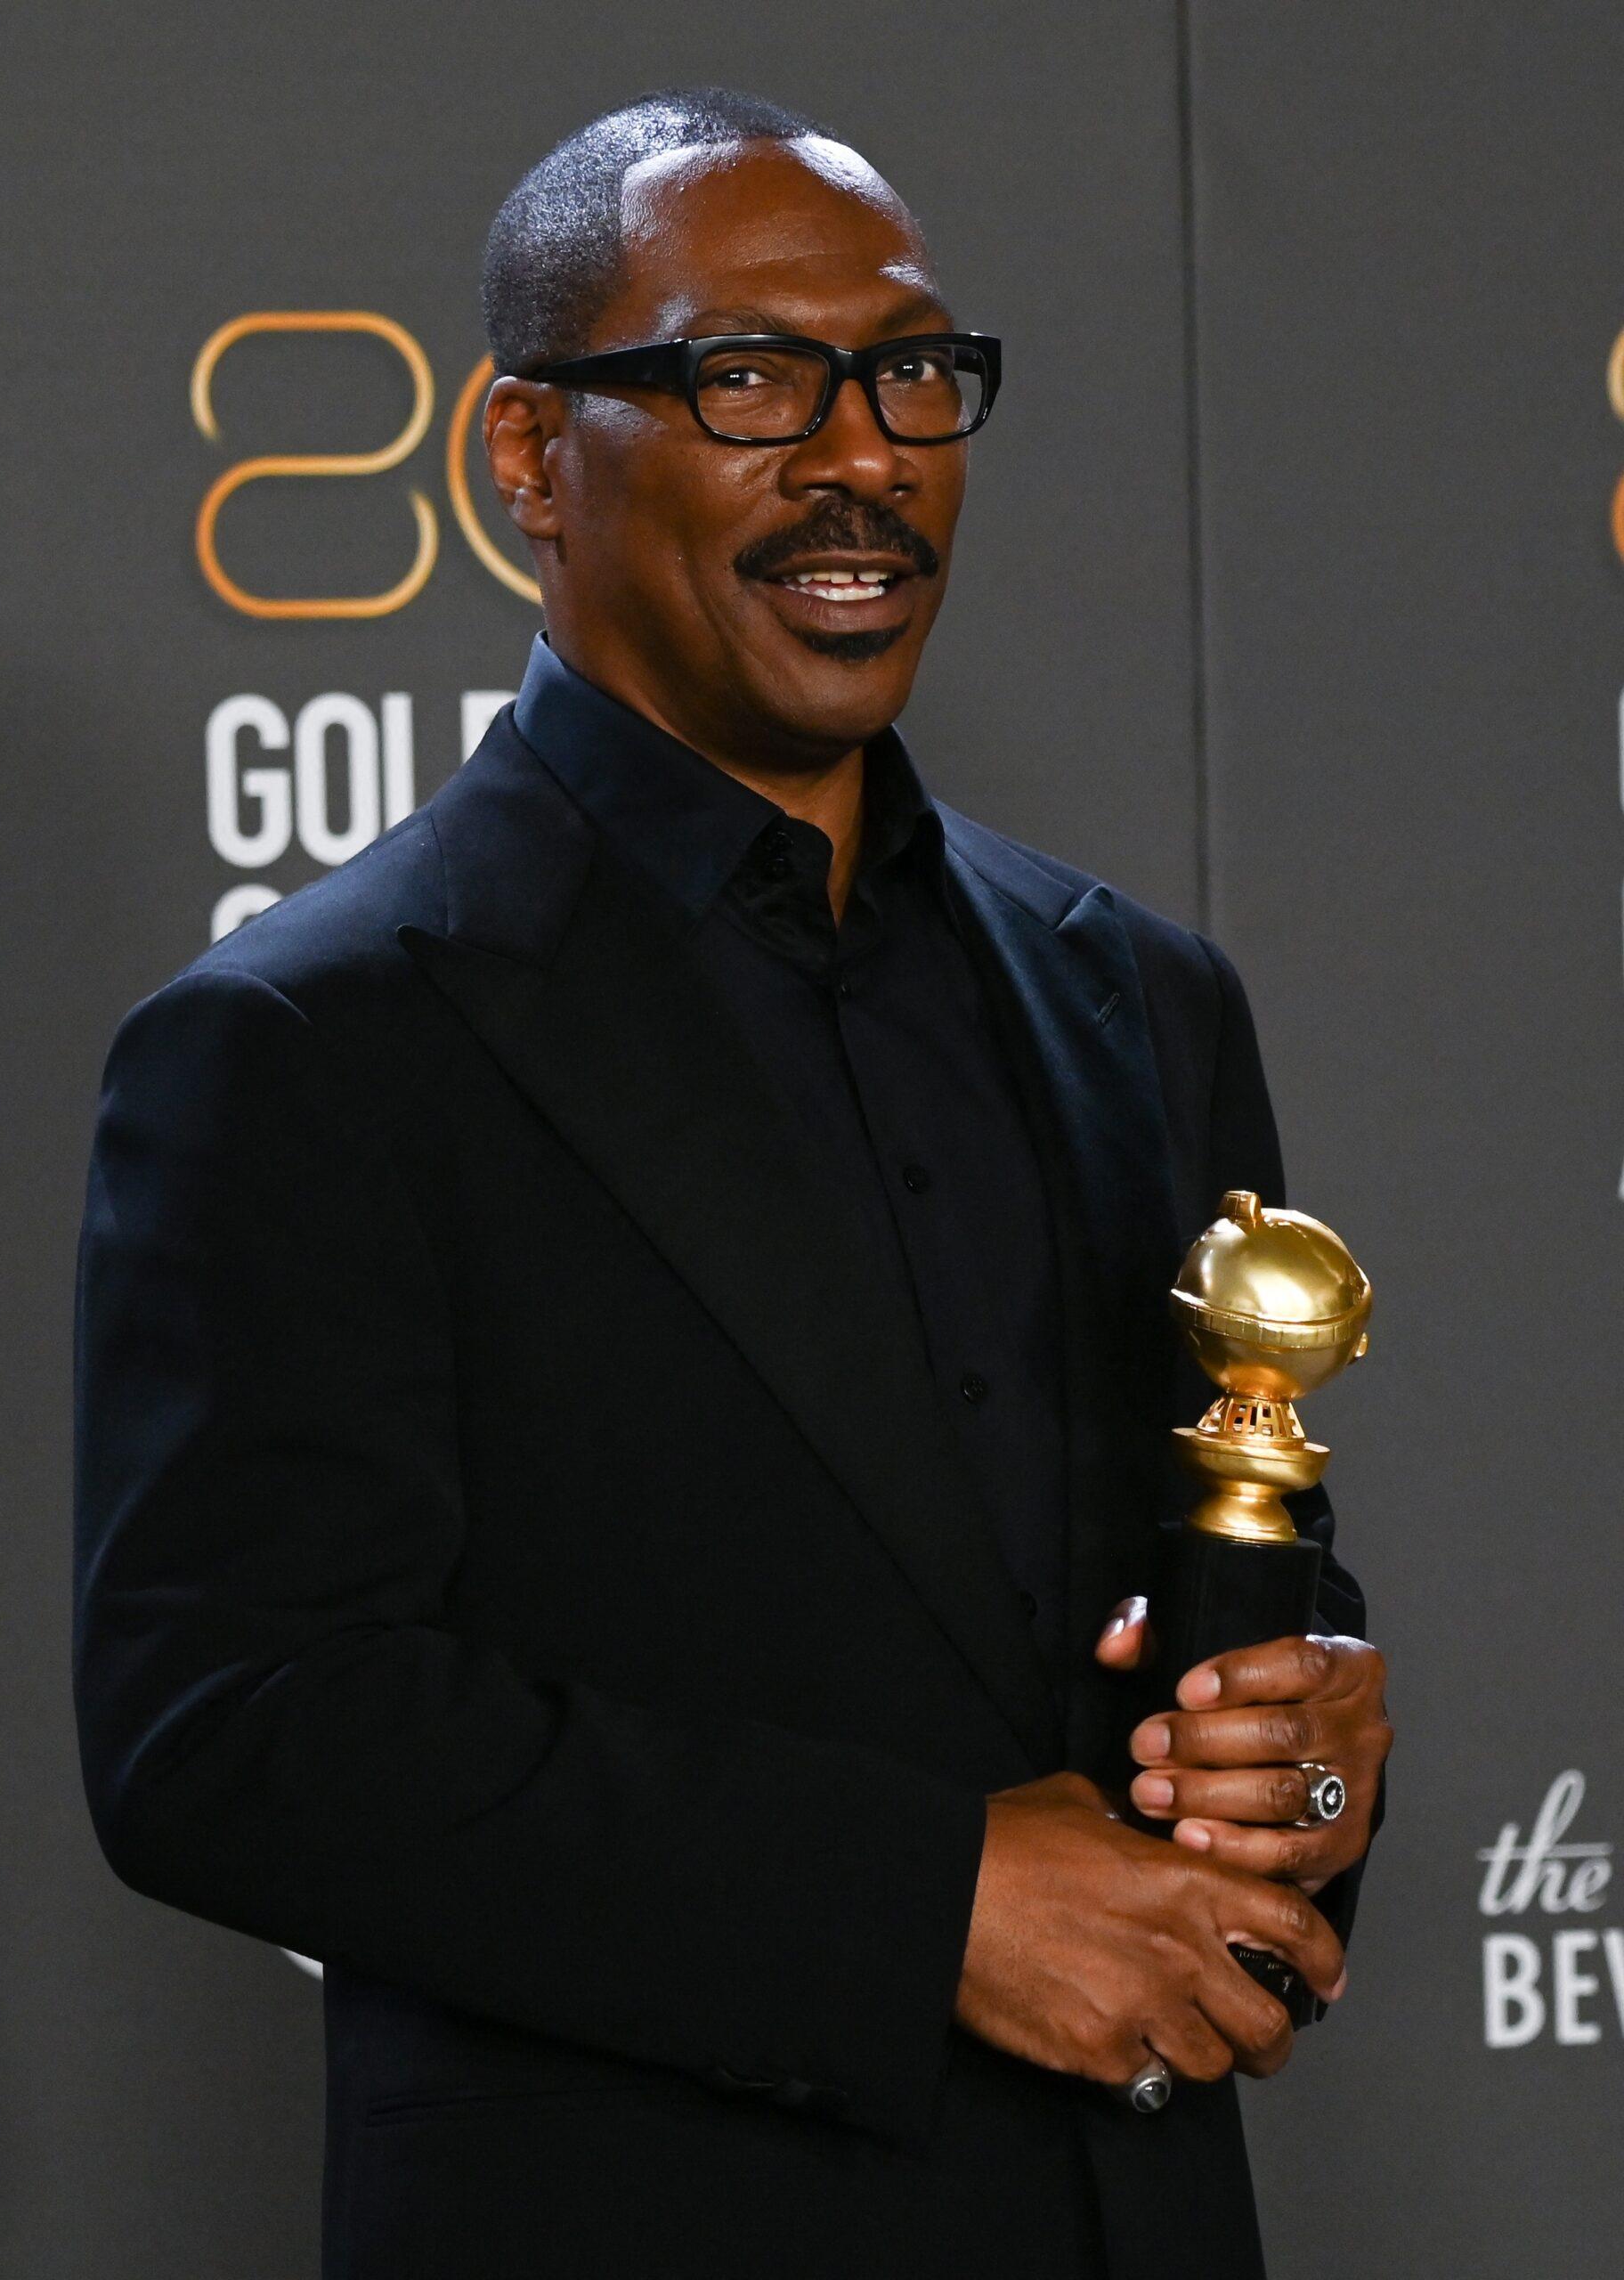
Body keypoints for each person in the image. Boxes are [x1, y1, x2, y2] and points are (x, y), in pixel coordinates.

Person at [72, 86, 1392, 2280]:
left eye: (910, 374)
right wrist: (927, 1907)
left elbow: (1237, 1591)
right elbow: (234, 1726)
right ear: (524, 458)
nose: (860, 454)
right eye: (746, 380)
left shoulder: (1144, 999)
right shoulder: (310, 1045)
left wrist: (1310, 1748)